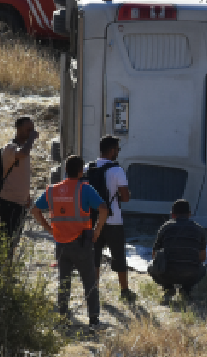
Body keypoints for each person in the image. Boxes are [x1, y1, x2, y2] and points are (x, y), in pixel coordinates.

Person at [31, 155, 109, 327]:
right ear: (81, 171)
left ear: (66, 170)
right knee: (89, 281)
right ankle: (94, 318)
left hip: (61, 243)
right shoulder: (85, 189)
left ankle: (63, 316)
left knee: (64, 281)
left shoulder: (52, 190)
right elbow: (103, 209)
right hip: (82, 243)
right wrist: (97, 231)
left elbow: (35, 210)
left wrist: (48, 229)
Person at [85, 136, 136, 303]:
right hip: (113, 220)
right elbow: (126, 197)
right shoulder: (117, 170)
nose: (118, 153)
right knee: (119, 256)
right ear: (112, 150)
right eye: (118, 149)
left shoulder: (88, 168)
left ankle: (94, 290)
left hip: (92, 218)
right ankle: (125, 291)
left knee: (95, 257)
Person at [150, 200, 207, 305]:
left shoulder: (165, 227)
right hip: (191, 273)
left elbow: (154, 255)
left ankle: (168, 287)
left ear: (172, 214)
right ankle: (186, 288)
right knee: (203, 268)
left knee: (150, 267)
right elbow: (202, 257)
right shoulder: (199, 229)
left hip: (166, 273)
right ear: (189, 214)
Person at [0, 116, 38, 259]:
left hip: (20, 202)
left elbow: (21, 176)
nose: (31, 132)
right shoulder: (11, 148)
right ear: (18, 129)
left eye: (32, 129)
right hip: (8, 201)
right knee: (6, 239)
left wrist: (27, 198)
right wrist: (32, 139)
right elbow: (23, 153)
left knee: (13, 240)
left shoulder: (24, 150)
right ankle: (2, 269)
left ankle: (6, 269)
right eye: (28, 129)